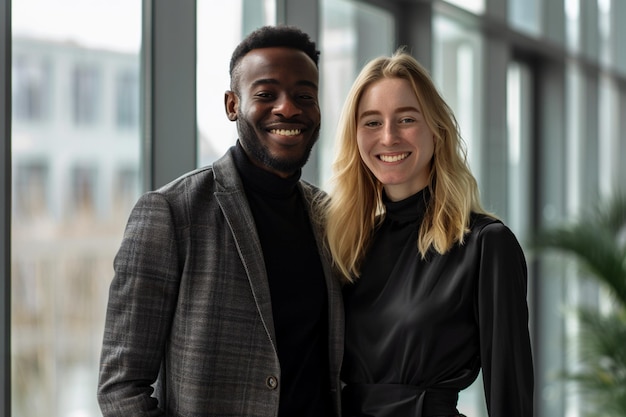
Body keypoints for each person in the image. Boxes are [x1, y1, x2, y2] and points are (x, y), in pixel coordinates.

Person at [97, 25, 343, 417]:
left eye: (304, 96)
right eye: (266, 94)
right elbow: (121, 388)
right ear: (232, 105)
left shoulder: (330, 218)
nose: (288, 108)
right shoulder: (171, 212)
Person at [325, 49, 534, 417]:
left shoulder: (486, 245)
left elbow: (510, 395)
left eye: (406, 119)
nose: (388, 137)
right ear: (355, 137)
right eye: (372, 122)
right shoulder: (348, 244)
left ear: (436, 131)